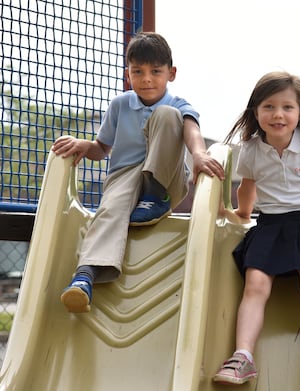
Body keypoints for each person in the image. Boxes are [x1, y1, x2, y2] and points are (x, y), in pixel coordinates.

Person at [52, 32, 225, 313]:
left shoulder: (178, 104)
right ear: (128, 74)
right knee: (109, 210)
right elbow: (101, 148)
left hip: (166, 180)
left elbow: (192, 130)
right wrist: (84, 145)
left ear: (171, 73)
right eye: (138, 71)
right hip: (124, 178)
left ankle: (154, 197)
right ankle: (85, 276)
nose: (146, 79)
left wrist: (199, 153)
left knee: (168, 115)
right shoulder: (120, 105)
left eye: (156, 71)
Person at [213, 71, 300, 390]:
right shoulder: (248, 149)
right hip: (270, 224)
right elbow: (247, 187)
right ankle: (242, 356)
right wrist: (243, 213)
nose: (278, 114)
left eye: (287, 107)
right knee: (256, 284)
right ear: (256, 112)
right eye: (269, 106)